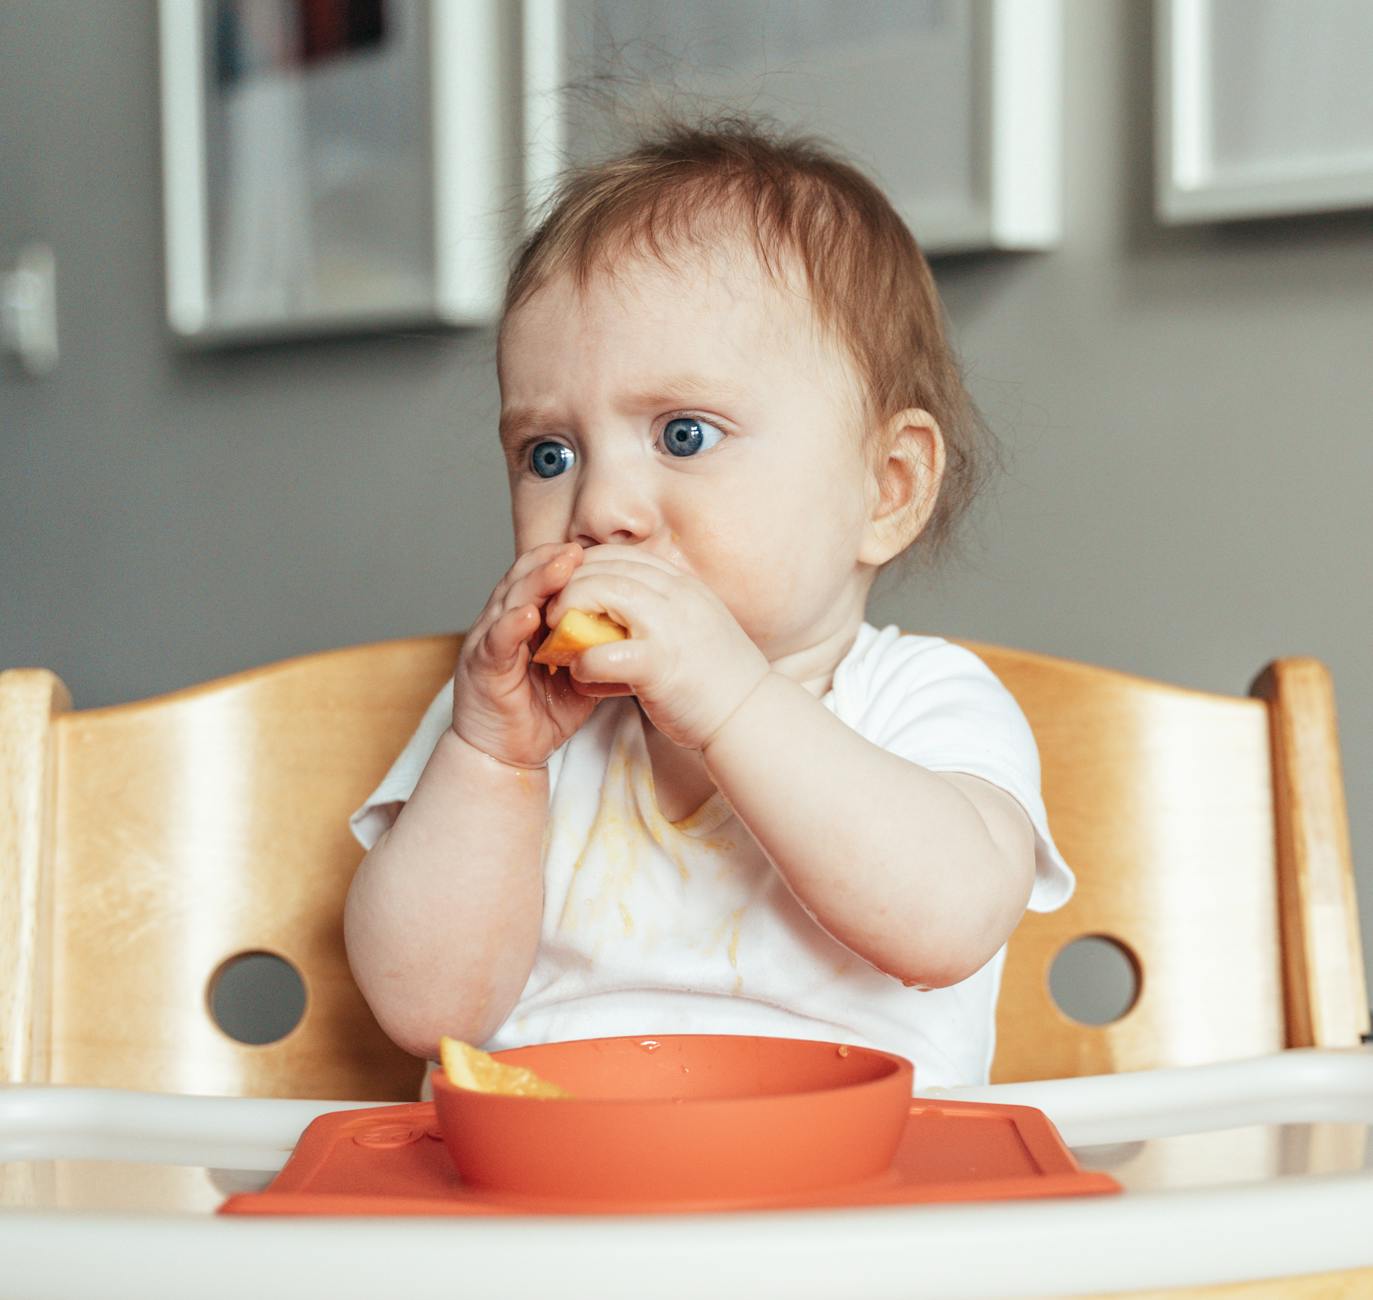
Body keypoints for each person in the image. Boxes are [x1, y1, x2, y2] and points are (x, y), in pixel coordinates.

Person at [343, 114, 1073, 1092]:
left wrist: (729, 701)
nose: (598, 506)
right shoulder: (507, 720)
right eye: (547, 454)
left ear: (886, 487)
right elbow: (425, 1011)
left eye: (683, 434)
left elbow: (945, 922)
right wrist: (488, 756)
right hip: (555, 1203)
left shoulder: (922, 700)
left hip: (852, 1209)